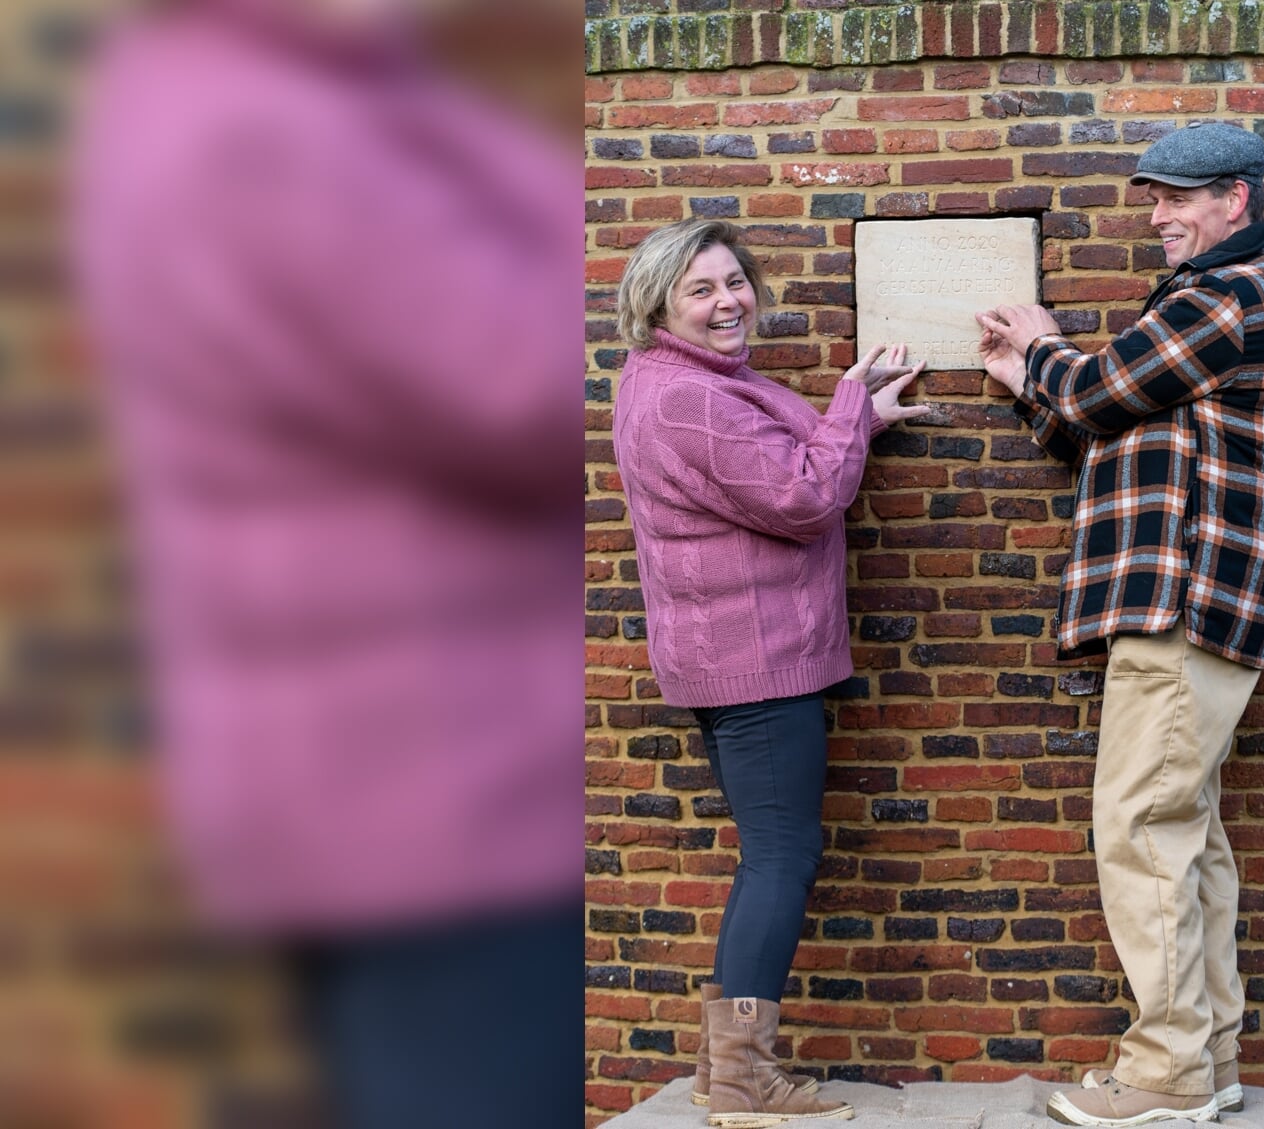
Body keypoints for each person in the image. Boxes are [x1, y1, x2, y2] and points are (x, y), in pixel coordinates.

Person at [71, 2, 584, 1126]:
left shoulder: (237, 100)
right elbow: (536, 381)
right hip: (436, 797)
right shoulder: (265, 135)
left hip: (383, 782)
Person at [975, 122, 1264, 1128]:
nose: (1157, 215)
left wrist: (1036, 346)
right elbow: (1109, 428)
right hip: (1196, 606)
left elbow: (1098, 389)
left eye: (1176, 198)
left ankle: (1164, 1073)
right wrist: (1029, 380)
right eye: (1155, 197)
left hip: (1183, 603)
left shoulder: (1227, 298)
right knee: (1186, 836)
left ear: (1234, 202)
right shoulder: (1218, 302)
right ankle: (1204, 1064)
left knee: (1140, 827)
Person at [613, 218, 928, 1127]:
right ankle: (745, 1078)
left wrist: (857, 413)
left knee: (768, 858)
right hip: (754, 661)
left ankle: (726, 1073)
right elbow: (802, 494)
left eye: (735, 281)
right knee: (782, 859)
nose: (728, 302)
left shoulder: (686, 382)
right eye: (701, 290)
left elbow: (781, 455)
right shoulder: (692, 398)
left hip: (738, 655)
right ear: (659, 306)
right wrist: (847, 405)